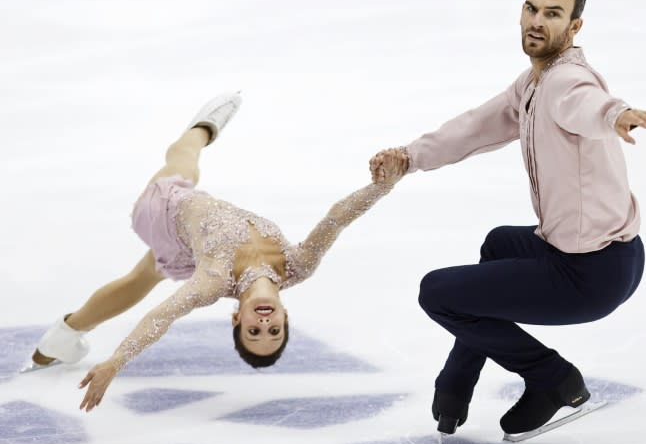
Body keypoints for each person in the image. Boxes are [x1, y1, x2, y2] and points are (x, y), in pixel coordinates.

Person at [369, 0, 646, 437]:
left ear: (574, 28)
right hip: (613, 256)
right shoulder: (530, 84)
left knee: (438, 293)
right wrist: (409, 157)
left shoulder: (566, 82)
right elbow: (475, 127)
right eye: (531, 8)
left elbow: (587, 105)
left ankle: (551, 378)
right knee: (500, 245)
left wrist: (616, 114)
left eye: (553, 14)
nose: (537, 21)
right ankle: (456, 384)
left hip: (591, 275)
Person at [26, 92, 405, 412]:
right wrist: (383, 187)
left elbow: (161, 317)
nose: (264, 322)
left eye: (254, 331)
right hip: (187, 243)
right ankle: (63, 335)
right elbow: (336, 219)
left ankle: (202, 129)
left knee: (183, 162)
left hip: (164, 209)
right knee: (141, 278)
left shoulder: (213, 281)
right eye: (273, 330)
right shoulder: (298, 265)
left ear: (236, 319)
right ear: (285, 316)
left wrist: (115, 363)